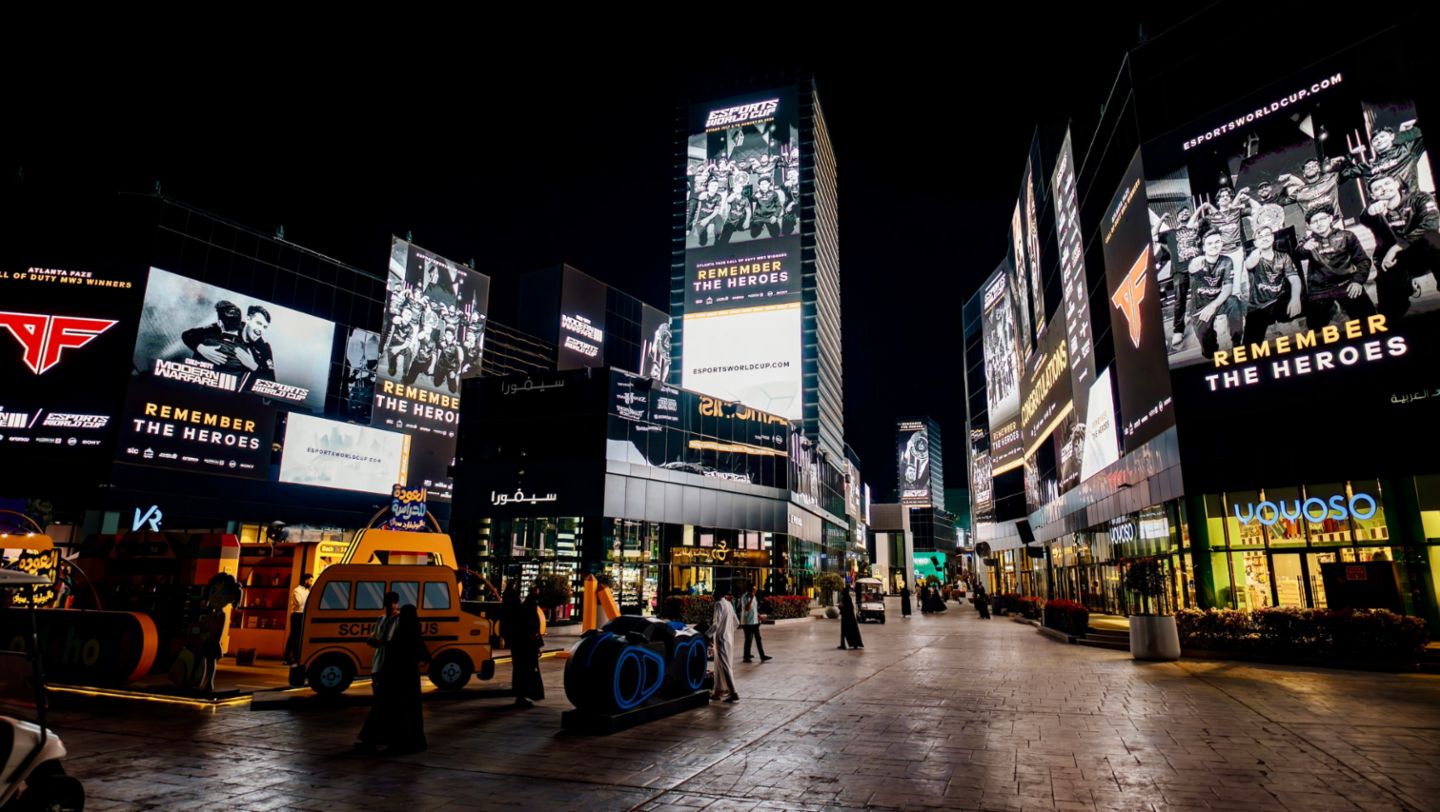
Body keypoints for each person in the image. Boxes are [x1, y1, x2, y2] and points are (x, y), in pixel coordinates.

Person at [1360, 174, 1440, 320]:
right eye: (1377, 188)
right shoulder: (1375, 210)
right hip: (1395, 261)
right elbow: (1364, 217)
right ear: (1372, 195)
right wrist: (1370, 211)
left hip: (1422, 253)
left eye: (1387, 184)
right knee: (1390, 312)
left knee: (1434, 240)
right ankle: (1405, 289)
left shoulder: (1420, 198)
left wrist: (1397, 246)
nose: (1383, 189)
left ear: (1396, 185)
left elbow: (1431, 225)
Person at [358, 604, 430, 754]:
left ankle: (375, 740)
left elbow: (391, 651)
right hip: (409, 681)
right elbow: (423, 652)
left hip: (392, 679)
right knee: (408, 711)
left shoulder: (400, 633)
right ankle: (407, 740)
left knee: (384, 708)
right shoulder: (414, 631)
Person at [1296, 207, 1376, 329]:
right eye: (1314, 222)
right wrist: (1304, 248)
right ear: (1309, 226)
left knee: (1369, 321)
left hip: (1346, 283)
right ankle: (1333, 312)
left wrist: (1358, 281)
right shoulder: (1307, 241)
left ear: (1330, 218)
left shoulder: (1347, 236)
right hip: (1320, 289)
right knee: (1315, 328)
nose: (1319, 224)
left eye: (1322, 219)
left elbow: (1363, 260)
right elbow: (1298, 254)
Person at [1178, 232, 1245, 359]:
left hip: (1218, 301)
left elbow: (1227, 288)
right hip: (1200, 306)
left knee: (1234, 301)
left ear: (1221, 243)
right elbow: (1192, 267)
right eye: (1210, 243)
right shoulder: (1197, 262)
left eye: (1217, 242)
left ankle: (1237, 343)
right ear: (1203, 247)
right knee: (1209, 352)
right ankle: (1212, 350)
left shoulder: (1227, 261)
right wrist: (1194, 263)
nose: (1214, 246)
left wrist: (1213, 306)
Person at [1240, 226, 1303, 346]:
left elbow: (1294, 279)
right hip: (1258, 307)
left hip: (1279, 300)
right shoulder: (1254, 257)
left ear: (1273, 237)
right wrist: (1257, 252)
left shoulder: (1283, 256)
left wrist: (1295, 299)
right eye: (1260, 237)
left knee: (1311, 305)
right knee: (1250, 348)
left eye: (1267, 235)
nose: (1264, 238)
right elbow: (1248, 265)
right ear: (1255, 242)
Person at [356, 592, 401, 752]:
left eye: (393, 603)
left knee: (382, 702)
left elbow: (390, 640)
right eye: (388, 603)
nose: (391, 606)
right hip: (378, 662)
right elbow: (375, 636)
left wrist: (379, 641)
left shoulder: (398, 619)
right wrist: (374, 640)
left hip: (387, 663)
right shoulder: (382, 618)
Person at [504, 582, 544, 708]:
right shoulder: (525, 610)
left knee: (520, 670)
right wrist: (536, 644)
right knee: (525, 670)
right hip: (525, 646)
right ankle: (523, 695)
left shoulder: (514, 610)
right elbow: (530, 629)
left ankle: (521, 695)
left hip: (519, 645)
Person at [705, 589, 740, 702]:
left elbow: (716, 624)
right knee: (720, 665)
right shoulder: (728, 604)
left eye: (715, 592)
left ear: (719, 594)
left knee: (724, 666)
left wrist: (706, 635)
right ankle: (718, 692)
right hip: (728, 639)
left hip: (721, 640)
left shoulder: (718, 604)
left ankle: (733, 692)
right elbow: (737, 623)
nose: (713, 594)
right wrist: (728, 631)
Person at [283, 573, 312, 666]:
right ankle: (287, 657)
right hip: (297, 615)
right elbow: (299, 603)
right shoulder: (297, 590)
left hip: (303, 615)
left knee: (299, 637)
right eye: (310, 580)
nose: (311, 582)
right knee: (293, 636)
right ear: (305, 580)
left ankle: (295, 657)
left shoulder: (307, 591)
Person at [738, 585, 771, 663]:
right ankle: (746, 657)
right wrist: (751, 598)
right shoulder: (744, 597)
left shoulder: (754, 597)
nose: (755, 592)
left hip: (755, 621)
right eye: (754, 590)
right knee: (748, 640)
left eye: (756, 590)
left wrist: (759, 615)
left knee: (758, 639)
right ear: (750, 590)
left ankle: (762, 656)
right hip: (747, 622)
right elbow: (747, 608)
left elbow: (754, 609)